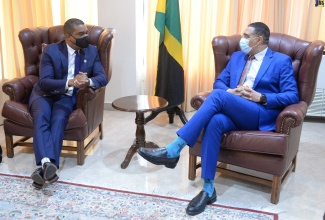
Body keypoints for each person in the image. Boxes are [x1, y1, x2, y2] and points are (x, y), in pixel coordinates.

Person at [138, 22, 299, 216]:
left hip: (257, 112)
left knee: (216, 96)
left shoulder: (281, 61)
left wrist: (261, 97)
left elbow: (292, 96)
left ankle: (174, 149)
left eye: (246, 36)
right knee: (215, 121)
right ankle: (208, 188)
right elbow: (220, 82)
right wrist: (230, 92)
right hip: (233, 108)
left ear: (259, 39)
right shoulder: (238, 57)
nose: (242, 39)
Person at [29, 18, 108, 189]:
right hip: (44, 94)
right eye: (81, 34)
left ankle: (47, 168)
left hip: (65, 98)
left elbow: (103, 78)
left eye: (86, 33)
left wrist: (88, 82)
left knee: (58, 119)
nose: (86, 36)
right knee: (42, 116)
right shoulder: (51, 51)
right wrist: (70, 82)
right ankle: (47, 163)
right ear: (68, 37)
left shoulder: (91, 51)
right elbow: (44, 82)